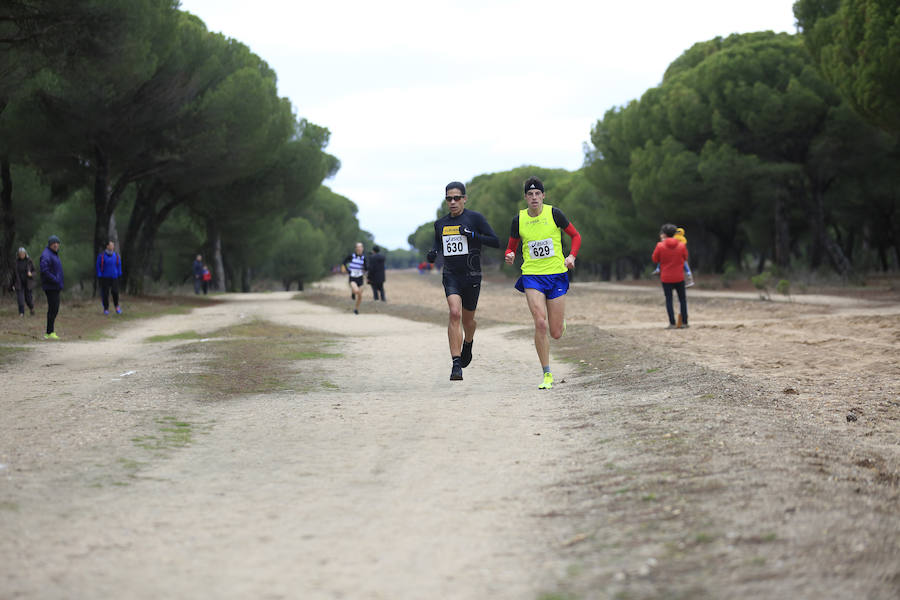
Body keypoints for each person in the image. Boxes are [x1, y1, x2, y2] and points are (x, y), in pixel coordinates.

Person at [504, 176, 582, 390]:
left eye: (538, 193)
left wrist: (572, 256)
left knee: (555, 332)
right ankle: (547, 374)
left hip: (556, 274)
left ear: (543, 195)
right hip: (532, 276)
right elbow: (511, 247)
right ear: (525, 198)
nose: (534, 197)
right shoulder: (518, 220)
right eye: (530, 194)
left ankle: (560, 322)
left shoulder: (554, 214)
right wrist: (509, 255)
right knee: (540, 322)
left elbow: (576, 236)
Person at [427, 181, 499, 381]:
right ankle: (456, 364)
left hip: (472, 276)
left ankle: (468, 342)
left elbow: (495, 241)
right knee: (454, 313)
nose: (452, 202)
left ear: (464, 199)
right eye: (449, 198)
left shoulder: (475, 218)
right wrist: (432, 254)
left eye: (456, 198)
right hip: (451, 275)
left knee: (468, 321)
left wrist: (473, 235)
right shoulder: (440, 224)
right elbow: (436, 245)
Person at [652, 223, 689, 329]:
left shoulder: (660, 246)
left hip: (666, 277)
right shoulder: (681, 245)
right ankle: (684, 322)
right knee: (682, 299)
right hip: (679, 277)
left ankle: (672, 323)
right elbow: (685, 257)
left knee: (669, 299)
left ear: (664, 234)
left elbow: (655, 259)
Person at [39, 235, 64, 340]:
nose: (56, 245)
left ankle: (50, 332)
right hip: (50, 286)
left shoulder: (54, 254)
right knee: (53, 308)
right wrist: (55, 279)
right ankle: (49, 332)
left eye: (57, 243)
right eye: (54, 243)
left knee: (54, 309)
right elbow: (44, 270)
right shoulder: (46, 255)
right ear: (50, 244)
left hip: (55, 286)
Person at [96, 240, 123, 314]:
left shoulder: (116, 256)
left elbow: (119, 265)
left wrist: (119, 274)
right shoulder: (101, 256)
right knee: (105, 293)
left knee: (115, 292)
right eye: (111, 245)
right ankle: (106, 308)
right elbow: (98, 266)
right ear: (107, 246)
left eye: (113, 245)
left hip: (114, 277)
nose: (112, 247)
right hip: (105, 277)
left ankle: (117, 306)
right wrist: (99, 275)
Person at [342, 242, 368, 314]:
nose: (359, 248)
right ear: (356, 248)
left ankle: (356, 309)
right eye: (358, 247)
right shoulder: (351, 256)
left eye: (361, 247)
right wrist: (347, 270)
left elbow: (366, 268)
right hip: (352, 277)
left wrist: (366, 272)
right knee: (356, 291)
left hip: (360, 278)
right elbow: (344, 262)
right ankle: (353, 292)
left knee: (360, 295)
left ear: (362, 248)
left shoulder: (364, 258)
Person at [12, 247, 36, 317]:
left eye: (23, 253)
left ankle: (31, 308)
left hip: (28, 283)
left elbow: (35, 271)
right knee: (20, 299)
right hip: (19, 283)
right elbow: (14, 275)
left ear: (25, 254)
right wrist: (12, 284)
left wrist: (31, 274)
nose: (22, 255)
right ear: (18, 255)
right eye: (20, 254)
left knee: (28, 299)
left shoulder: (29, 261)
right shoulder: (16, 262)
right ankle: (21, 313)